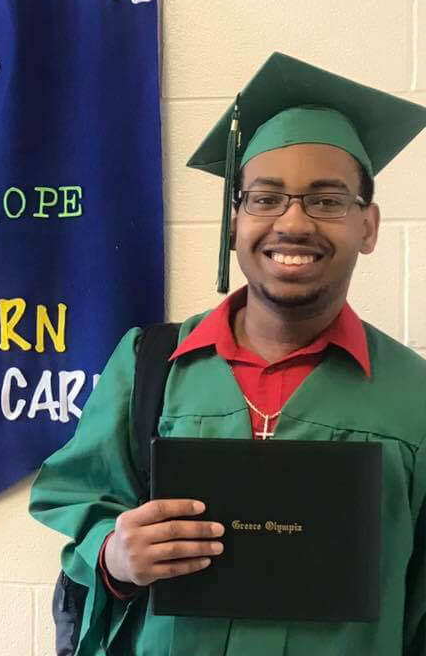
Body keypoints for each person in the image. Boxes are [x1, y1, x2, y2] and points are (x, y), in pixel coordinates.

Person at [29, 52, 426, 655]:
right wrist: (116, 553)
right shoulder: (149, 365)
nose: (293, 222)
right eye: (265, 198)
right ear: (234, 218)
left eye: (326, 199)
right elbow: (80, 498)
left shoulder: (414, 397)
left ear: (367, 225)